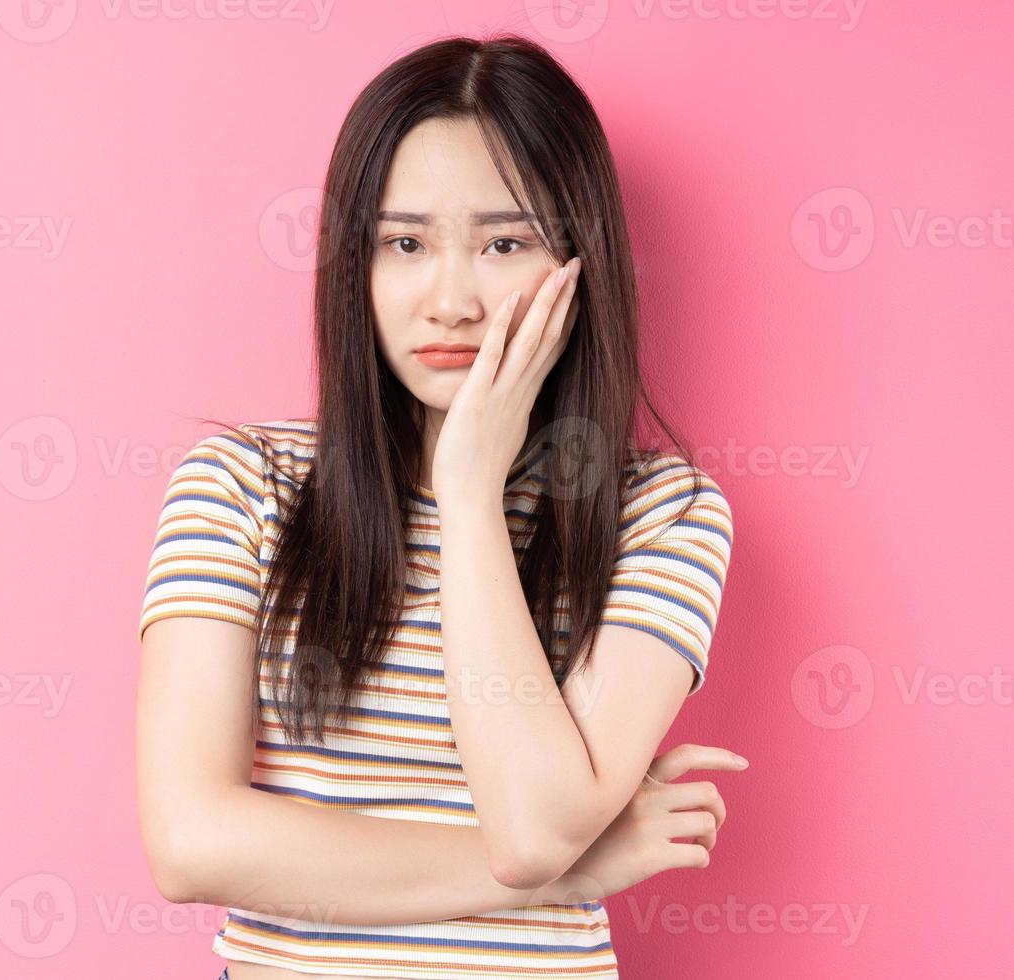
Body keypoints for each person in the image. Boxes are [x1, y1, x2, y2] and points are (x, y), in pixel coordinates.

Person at [135, 32, 746, 980]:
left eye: (504, 243)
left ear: (580, 264)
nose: (451, 299)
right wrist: (562, 875)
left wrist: (466, 497)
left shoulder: (661, 516)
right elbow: (193, 842)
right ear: (355, 264)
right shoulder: (242, 484)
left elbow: (537, 824)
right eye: (405, 243)